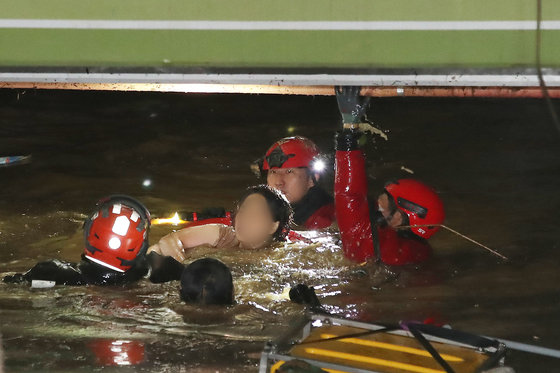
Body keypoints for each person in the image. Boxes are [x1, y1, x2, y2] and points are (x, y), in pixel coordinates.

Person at [334, 86, 445, 265]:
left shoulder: (370, 242)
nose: (375, 207)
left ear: (397, 218)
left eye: (381, 205)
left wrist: (349, 130)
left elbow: (348, 195)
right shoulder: (422, 254)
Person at [2, 195, 184, 286]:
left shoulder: (53, 274)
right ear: (140, 245)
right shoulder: (163, 270)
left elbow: (9, 284)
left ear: (90, 233)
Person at [148, 185, 293, 263]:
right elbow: (169, 240)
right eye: (243, 211)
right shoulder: (223, 235)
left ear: (272, 226)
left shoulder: (279, 257)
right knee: (155, 250)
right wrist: (183, 269)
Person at [256, 136, 335, 230]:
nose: (278, 182)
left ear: (312, 178)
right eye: (273, 172)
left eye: (289, 172)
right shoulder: (260, 209)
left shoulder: (326, 221)